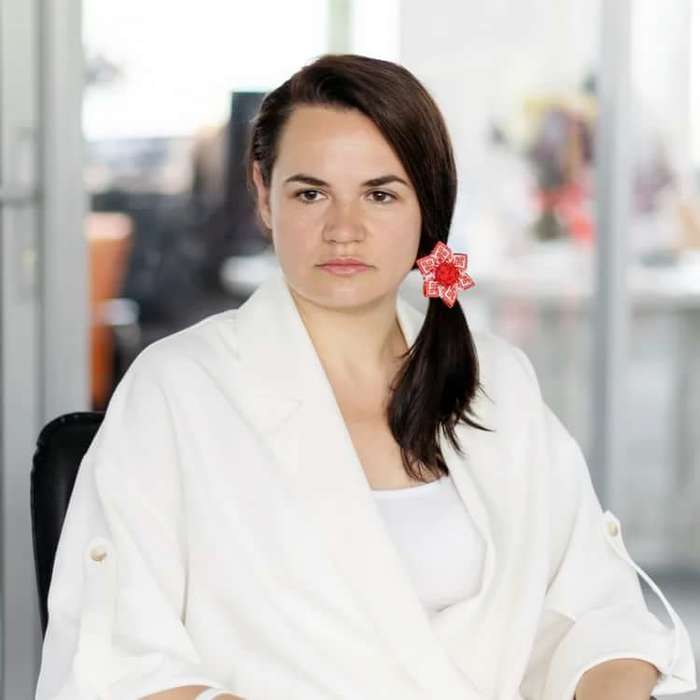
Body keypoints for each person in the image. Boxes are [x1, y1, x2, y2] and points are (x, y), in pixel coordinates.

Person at [35, 53, 696, 700]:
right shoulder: (177, 389)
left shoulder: (498, 380)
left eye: (380, 194)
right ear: (264, 196)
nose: (343, 229)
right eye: (311, 193)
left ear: (427, 206)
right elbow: (120, 659)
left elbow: (596, 610)